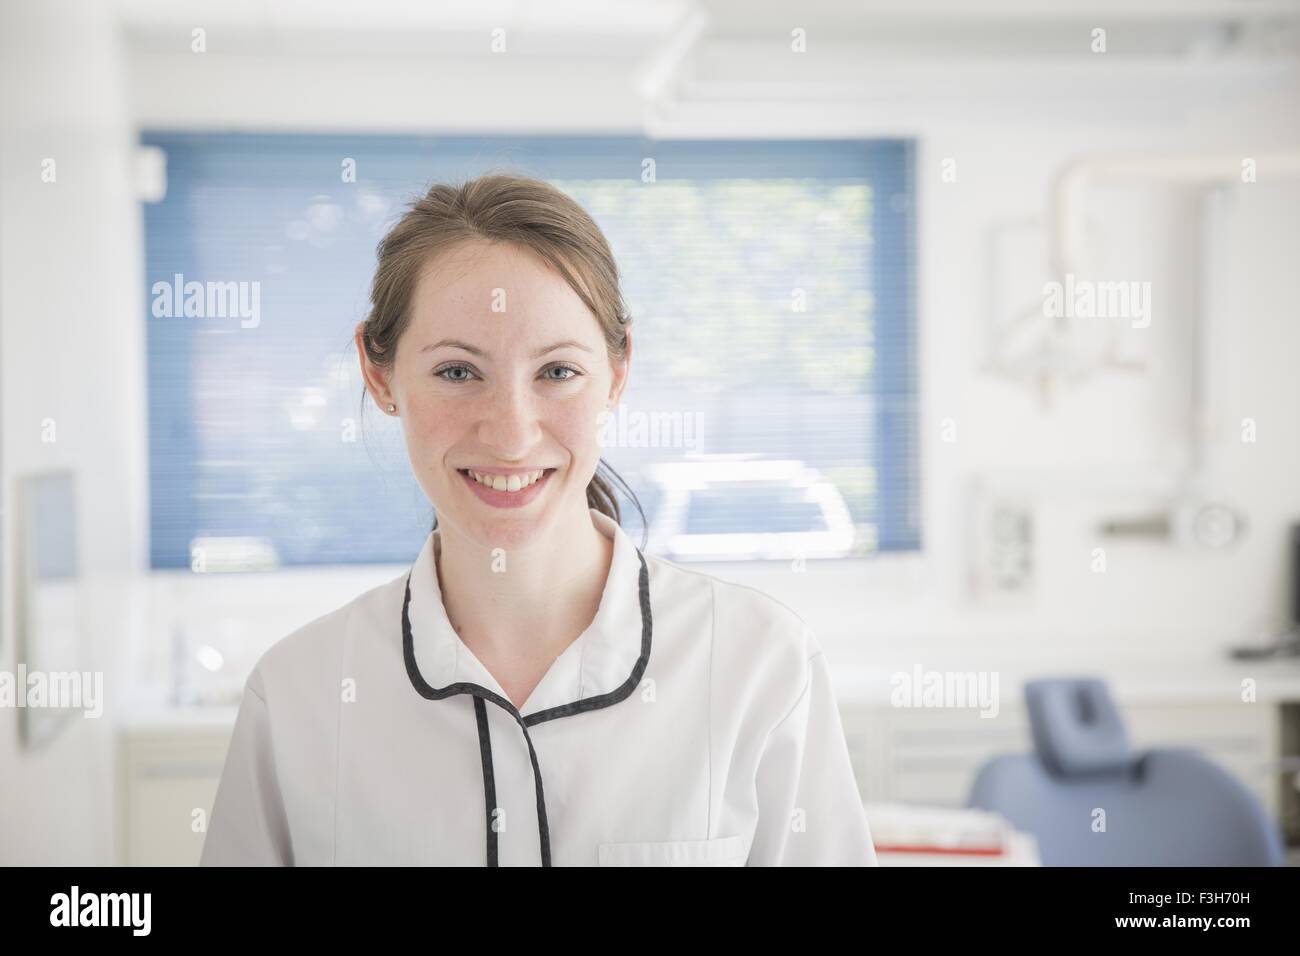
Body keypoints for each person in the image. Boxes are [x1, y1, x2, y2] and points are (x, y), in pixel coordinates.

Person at [200, 173, 877, 866]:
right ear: (381, 379)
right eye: (458, 372)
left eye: (557, 372)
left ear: (617, 373)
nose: (512, 435)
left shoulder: (757, 664)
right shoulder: (298, 695)